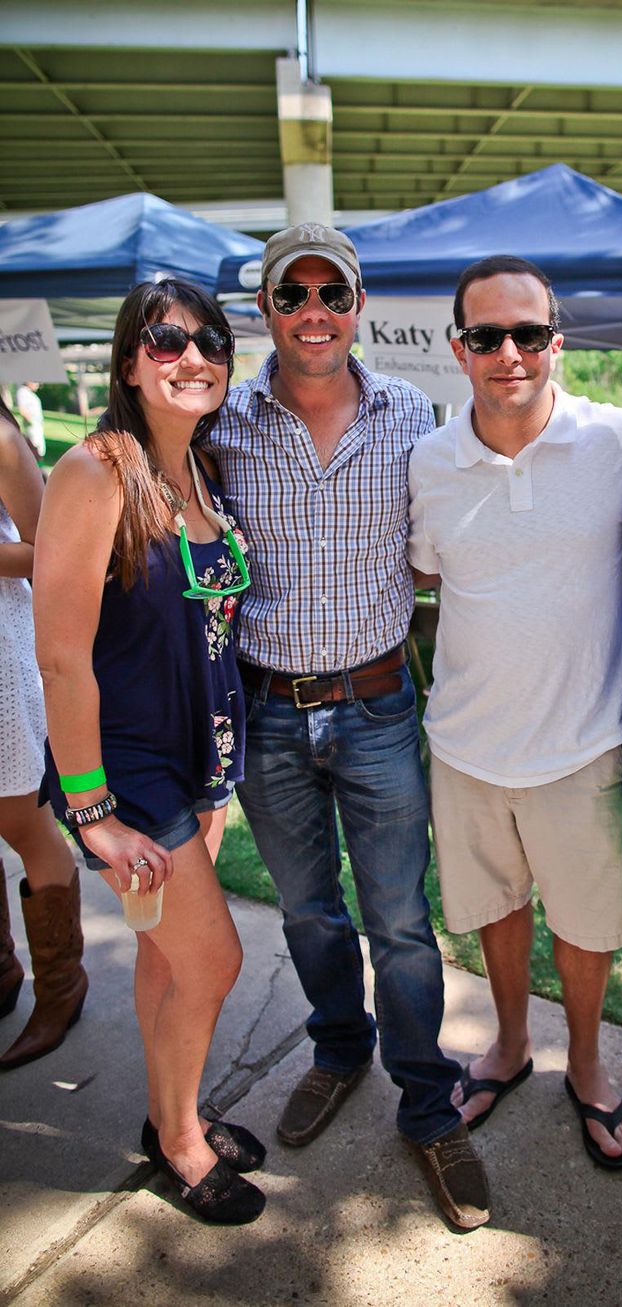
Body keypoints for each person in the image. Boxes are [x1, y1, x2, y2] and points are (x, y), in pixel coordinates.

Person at [203, 223, 489, 1232]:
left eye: (332, 292)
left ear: (357, 304)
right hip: (267, 712)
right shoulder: (221, 425)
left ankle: (427, 1099)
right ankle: (336, 1048)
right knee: (306, 910)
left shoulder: (414, 414)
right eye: (294, 295)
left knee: (400, 919)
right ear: (265, 310)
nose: (313, 311)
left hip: (374, 705)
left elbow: (445, 541)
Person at [32, 278, 266, 1226]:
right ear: (131, 358)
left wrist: (218, 782)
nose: (192, 356)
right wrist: (94, 815)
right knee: (214, 964)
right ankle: (179, 1143)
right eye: (166, 339)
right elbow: (60, 657)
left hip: (200, 764)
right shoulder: (95, 471)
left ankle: (174, 1110)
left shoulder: (202, 471)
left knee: (169, 961)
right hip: (129, 775)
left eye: (209, 340)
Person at [408, 256, 622, 1168]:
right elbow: (425, 571)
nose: (509, 352)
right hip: (466, 743)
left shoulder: (619, 442)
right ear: (458, 347)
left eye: (529, 333)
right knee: (496, 909)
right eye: (486, 336)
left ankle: (586, 1062)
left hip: (585, 744)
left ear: (559, 339)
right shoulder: (427, 460)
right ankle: (509, 1045)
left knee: (584, 924)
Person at [0, 395, 85, 1071]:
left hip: (2, 656)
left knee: (23, 825)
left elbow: (44, 553)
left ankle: (60, 987)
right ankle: (1, 971)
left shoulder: (0, 437)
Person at [15, 383, 45, 462]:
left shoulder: (31, 394)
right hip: (31, 426)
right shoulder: (22, 392)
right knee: (34, 448)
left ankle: (38, 470)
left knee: (40, 450)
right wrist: (32, 422)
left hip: (37, 425)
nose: (37, 384)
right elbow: (22, 409)